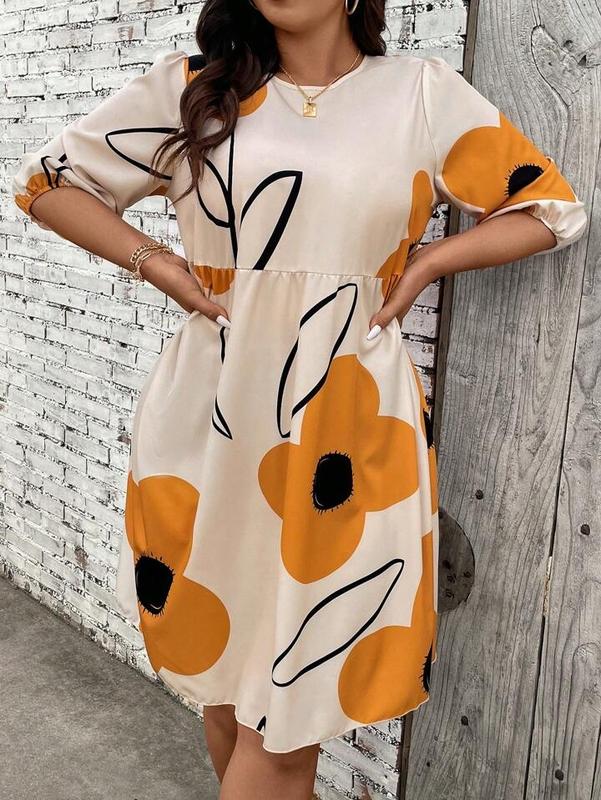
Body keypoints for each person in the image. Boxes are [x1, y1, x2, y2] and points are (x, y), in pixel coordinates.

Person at [11, 0, 588, 798]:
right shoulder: (194, 91)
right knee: (225, 681)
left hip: (348, 430)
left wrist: (429, 261)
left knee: (289, 718)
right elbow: (47, 182)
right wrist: (158, 262)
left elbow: (549, 209)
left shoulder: (419, 92)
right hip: (210, 424)